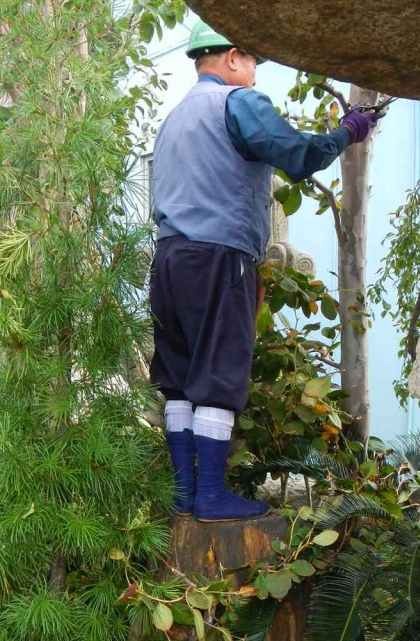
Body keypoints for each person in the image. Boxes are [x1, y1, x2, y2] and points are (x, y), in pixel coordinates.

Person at [150, 21, 382, 523]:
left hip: (168, 259)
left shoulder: (174, 118)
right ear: (232, 58)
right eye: (254, 62)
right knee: (216, 373)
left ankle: (186, 493)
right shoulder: (238, 103)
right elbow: (297, 155)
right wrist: (349, 131)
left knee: (178, 378)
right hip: (219, 258)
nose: (255, 74)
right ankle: (211, 495)